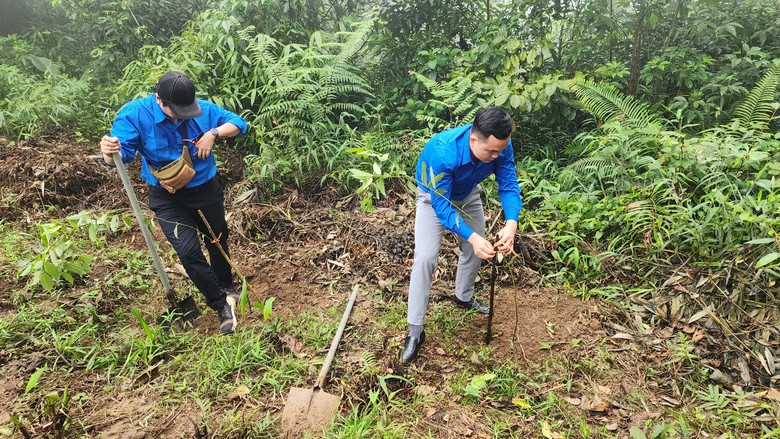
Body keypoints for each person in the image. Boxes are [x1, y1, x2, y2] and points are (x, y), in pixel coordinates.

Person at [100, 70, 248, 334]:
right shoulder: (135, 115)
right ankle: (219, 303)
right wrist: (110, 153)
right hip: (168, 197)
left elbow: (238, 123)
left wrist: (213, 133)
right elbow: (122, 156)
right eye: (177, 111)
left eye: (187, 110)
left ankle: (226, 286)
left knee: (217, 239)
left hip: (206, 189)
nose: (183, 115)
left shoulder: (201, 109)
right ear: (160, 100)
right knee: (188, 252)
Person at [401, 106, 522, 364]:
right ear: (473, 139)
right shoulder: (443, 152)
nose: (497, 156)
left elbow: (509, 185)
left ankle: (463, 296)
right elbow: (442, 208)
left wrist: (511, 222)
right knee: (425, 258)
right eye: (491, 151)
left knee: (477, 249)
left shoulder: (500, 146)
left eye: (501, 150)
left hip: (467, 195)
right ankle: (415, 330)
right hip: (433, 199)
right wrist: (473, 235)